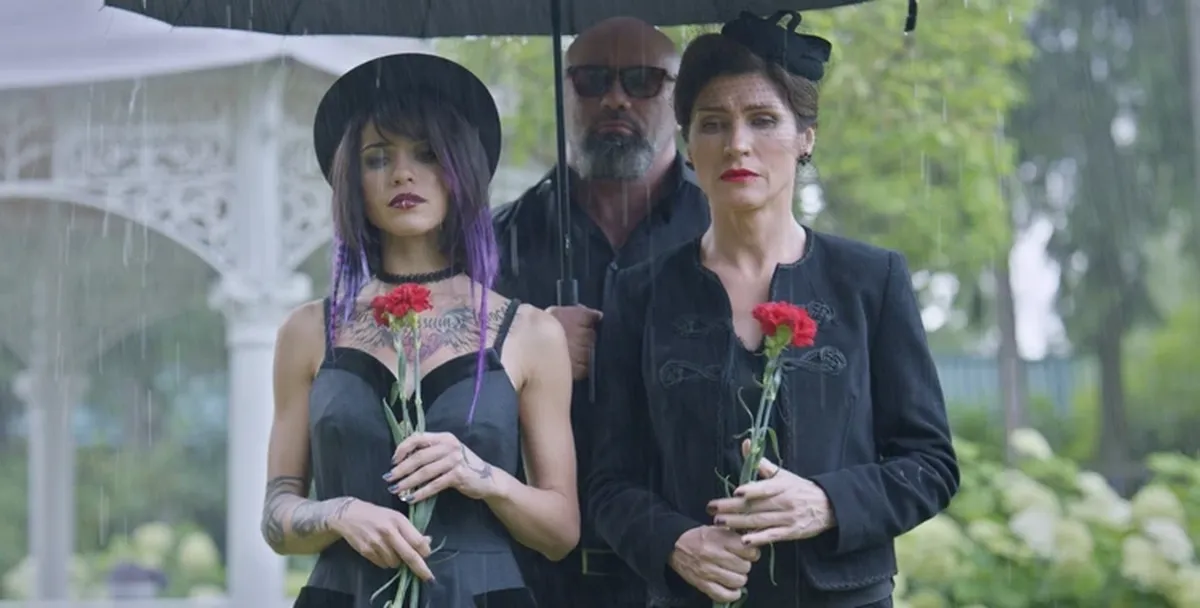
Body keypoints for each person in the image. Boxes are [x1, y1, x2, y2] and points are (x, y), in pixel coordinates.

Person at [586, 11, 960, 608]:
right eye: (713, 123)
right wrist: (675, 542)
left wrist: (828, 503)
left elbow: (931, 464)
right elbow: (609, 482)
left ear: (806, 136)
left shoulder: (871, 281)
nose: (737, 143)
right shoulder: (638, 295)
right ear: (688, 144)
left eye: (763, 120)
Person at [260, 53, 580, 608]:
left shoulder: (530, 332)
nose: (402, 174)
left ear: (461, 168)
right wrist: (337, 512)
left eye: (427, 153)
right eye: (377, 158)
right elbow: (275, 517)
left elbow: (560, 532)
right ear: (352, 179)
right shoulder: (309, 331)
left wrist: (483, 476)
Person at [491, 16, 711, 608]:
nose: (615, 98)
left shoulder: (726, 236)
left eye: (642, 80)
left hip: (689, 570)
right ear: (564, 93)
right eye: (590, 80)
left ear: (681, 99)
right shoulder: (492, 244)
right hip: (529, 576)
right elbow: (440, 393)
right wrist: (522, 347)